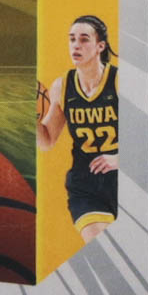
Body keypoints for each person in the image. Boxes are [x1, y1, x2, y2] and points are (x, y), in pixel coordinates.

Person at [37, 16, 118, 243]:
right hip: (86, 186)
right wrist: (30, 118)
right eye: (72, 39)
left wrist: (119, 159)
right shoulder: (62, 86)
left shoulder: (118, 81)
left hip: (122, 183)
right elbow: (47, 140)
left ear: (100, 46)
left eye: (84, 39)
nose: (76, 45)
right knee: (103, 247)